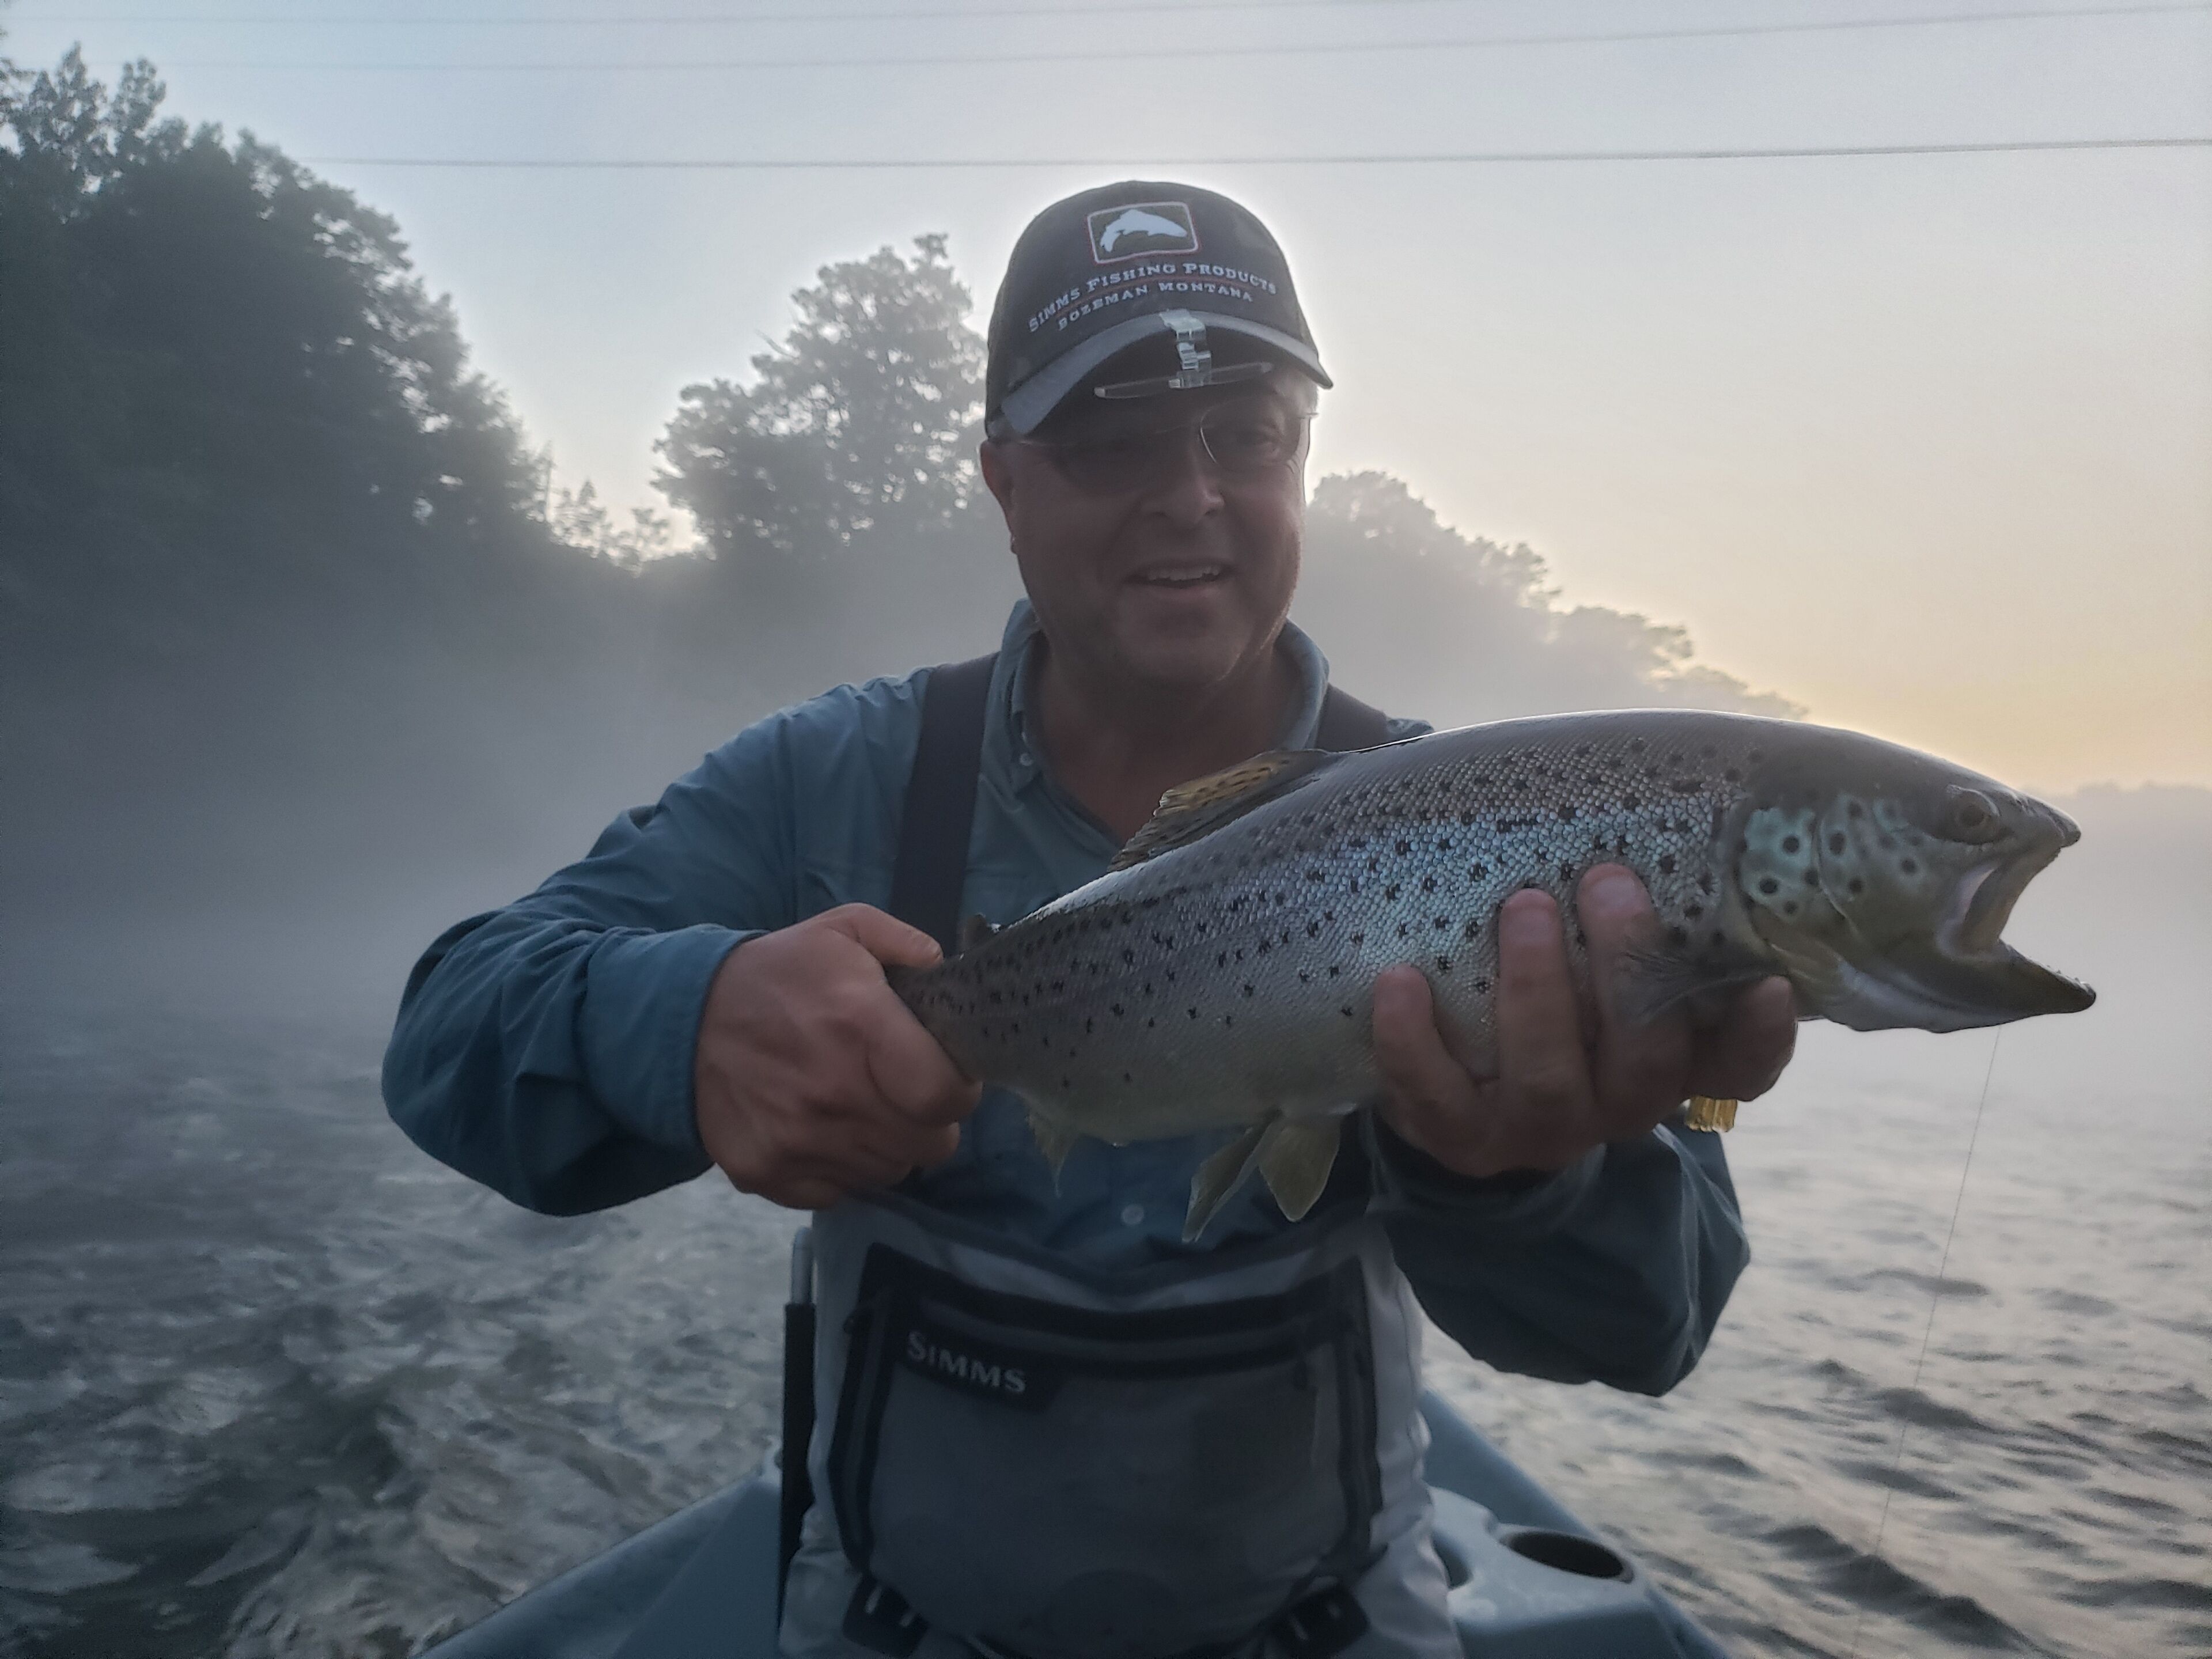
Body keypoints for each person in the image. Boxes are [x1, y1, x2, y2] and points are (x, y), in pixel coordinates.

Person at [384, 181, 1797, 1659]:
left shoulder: (1495, 829)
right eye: (1109, 441)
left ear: (1302, 455)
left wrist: (1527, 1180)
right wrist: (690, 1022)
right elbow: (452, 1023)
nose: (1188, 496)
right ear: (1005, 483)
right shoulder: (834, 784)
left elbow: (1664, 1312)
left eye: (1244, 434)